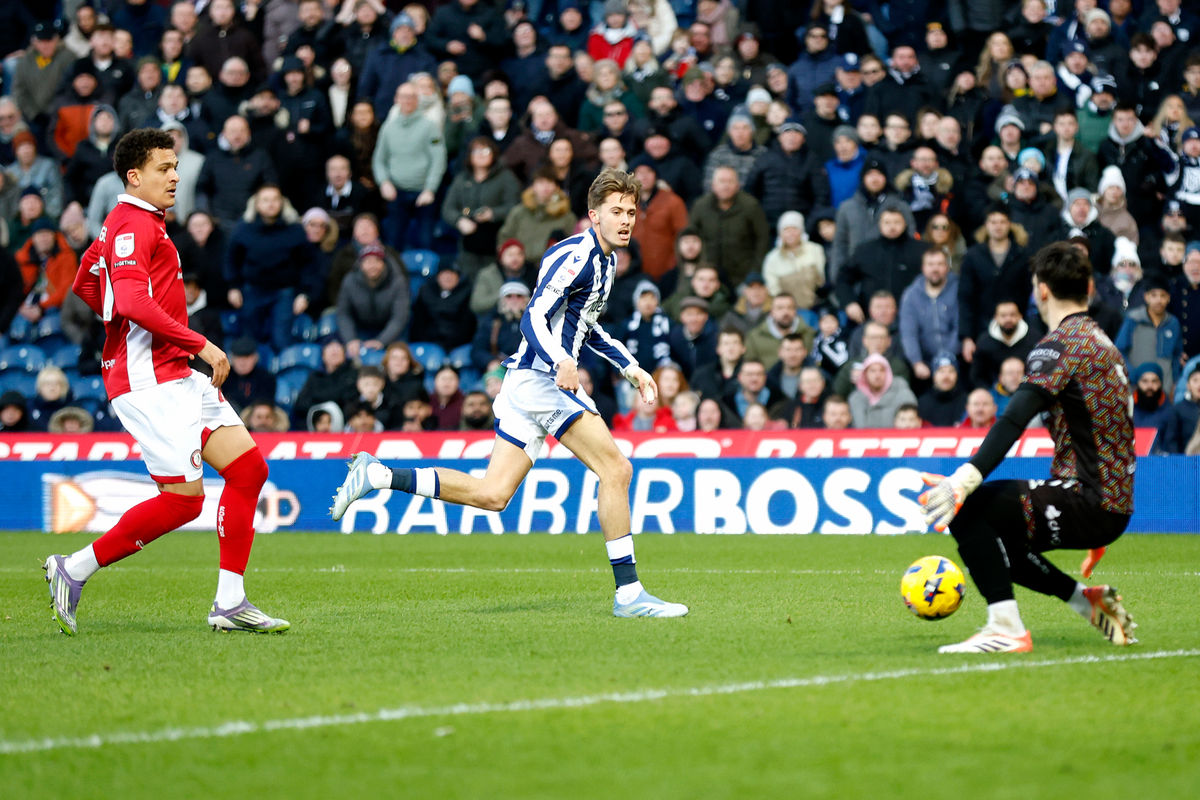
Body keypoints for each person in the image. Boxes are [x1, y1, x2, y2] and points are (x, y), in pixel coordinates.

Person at [331, 168, 687, 618]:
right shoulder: (576, 256)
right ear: (593, 215)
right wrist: (561, 359)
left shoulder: (607, 261)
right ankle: (630, 594)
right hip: (542, 381)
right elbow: (533, 317)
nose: (625, 220)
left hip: (527, 384)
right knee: (616, 469)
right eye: (616, 211)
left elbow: (586, 326)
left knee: (492, 495)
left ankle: (379, 475)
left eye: (631, 212)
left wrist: (630, 366)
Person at [46, 128, 287, 636]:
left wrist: (117, 318)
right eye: (163, 168)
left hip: (176, 376)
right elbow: (130, 301)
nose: (175, 176)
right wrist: (197, 342)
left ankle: (230, 602)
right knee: (184, 500)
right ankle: (75, 567)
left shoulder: (126, 224)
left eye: (176, 166)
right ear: (135, 177)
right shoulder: (132, 224)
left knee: (248, 472)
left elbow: (87, 281)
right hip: (150, 380)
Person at [919, 241, 1136, 654]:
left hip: (1088, 497)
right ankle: (1085, 601)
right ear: (1088, 287)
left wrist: (963, 481)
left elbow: (1013, 419)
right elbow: (1114, 428)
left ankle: (1005, 628)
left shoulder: (1057, 346)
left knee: (971, 511)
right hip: (1112, 500)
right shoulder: (1103, 344)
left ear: (1040, 291)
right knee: (1000, 532)